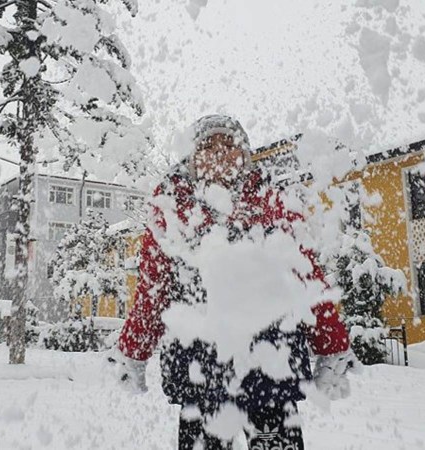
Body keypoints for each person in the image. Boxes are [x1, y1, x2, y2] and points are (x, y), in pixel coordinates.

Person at [111, 115, 358, 450]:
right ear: (192, 157)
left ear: (244, 155)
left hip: (271, 364)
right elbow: (153, 290)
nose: (218, 153)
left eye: (228, 145)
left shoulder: (274, 201)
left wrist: (332, 346)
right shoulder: (171, 206)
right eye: (207, 146)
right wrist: (133, 351)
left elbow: (307, 277)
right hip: (199, 370)